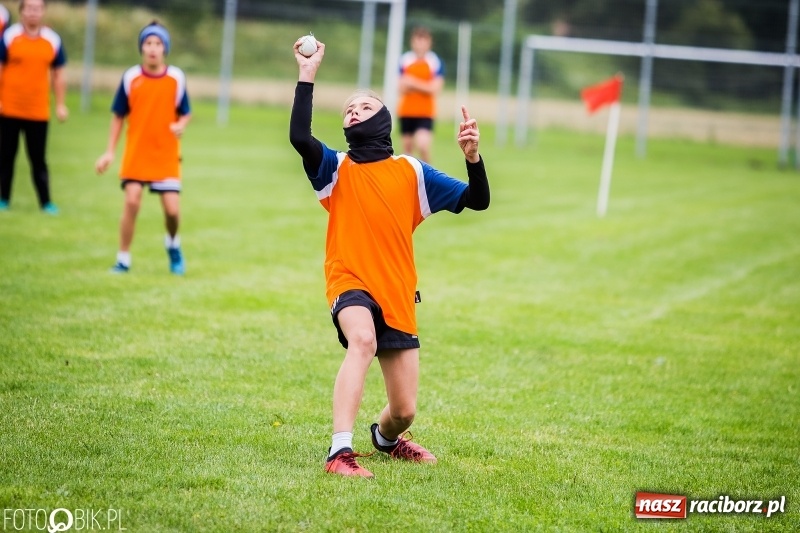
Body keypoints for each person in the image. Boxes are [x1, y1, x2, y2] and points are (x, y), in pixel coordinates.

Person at [290, 37, 490, 478]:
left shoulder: (412, 171)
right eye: (348, 109)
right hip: (349, 280)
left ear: (382, 119)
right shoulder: (335, 168)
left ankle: (386, 439)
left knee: (404, 409)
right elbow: (299, 136)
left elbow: (478, 200)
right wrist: (308, 74)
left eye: (363, 106)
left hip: (397, 293)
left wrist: (473, 158)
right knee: (362, 340)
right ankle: (338, 453)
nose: (353, 112)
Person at [95, 21, 191, 275]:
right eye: (148, 43)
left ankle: (173, 244)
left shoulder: (175, 78)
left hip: (166, 154)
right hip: (136, 152)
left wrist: (181, 124)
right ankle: (123, 259)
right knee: (132, 201)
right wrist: (109, 151)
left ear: (165, 49)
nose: (152, 48)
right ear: (141, 47)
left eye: (158, 44)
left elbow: (186, 113)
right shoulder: (131, 78)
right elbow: (118, 115)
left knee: (172, 211)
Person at [0, 0, 67, 214]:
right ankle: (3, 199)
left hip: (38, 111)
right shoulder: (10, 37)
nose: (33, 13)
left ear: (43, 12)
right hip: (9, 108)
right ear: (21, 12)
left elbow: (58, 75)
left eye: (37, 9)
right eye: (29, 9)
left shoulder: (52, 40)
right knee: (6, 157)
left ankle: (46, 203)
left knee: (38, 159)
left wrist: (61, 105)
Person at [397, 26, 444, 163]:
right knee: (407, 153)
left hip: (425, 112)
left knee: (423, 146)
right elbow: (401, 87)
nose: (421, 44)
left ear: (430, 42)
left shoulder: (434, 62)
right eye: (418, 40)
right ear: (412, 42)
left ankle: (429, 180)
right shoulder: (405, 60)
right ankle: (409, 183)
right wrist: (423, 86)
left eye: (424, 40)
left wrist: (412, 82)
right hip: (407, 111)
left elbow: (435, 89)